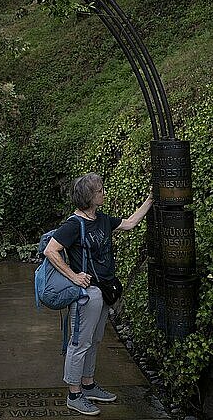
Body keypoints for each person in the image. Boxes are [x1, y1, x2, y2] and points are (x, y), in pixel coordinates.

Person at [44, 172, 154, 416]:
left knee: (95, 340)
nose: (104, 193)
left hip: (104, 290)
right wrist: (74, 276)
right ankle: (74, 394)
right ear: (89, 197)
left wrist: (149, 200)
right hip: (86, 294)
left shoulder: (102, 219)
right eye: (100, 190)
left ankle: (89, 384)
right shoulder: (74, 225)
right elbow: (51, 251)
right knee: (79, 342)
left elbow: (129, 224)